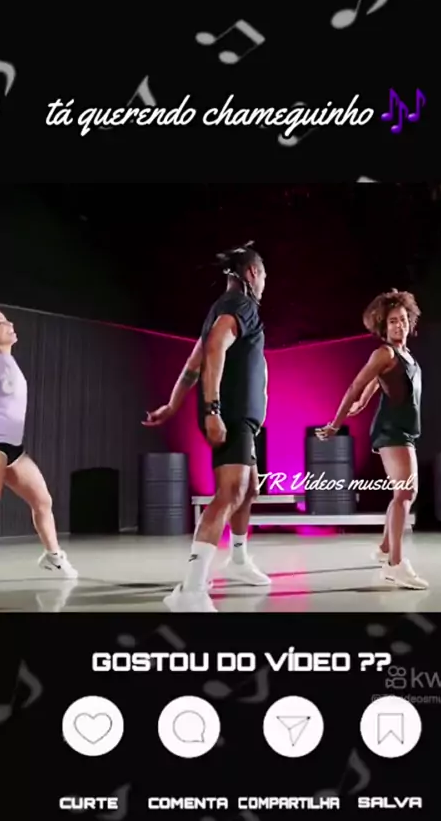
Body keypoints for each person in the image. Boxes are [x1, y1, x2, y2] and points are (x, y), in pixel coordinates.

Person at [143, 242, 270, 611]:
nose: (264, 283)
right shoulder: (241, 305)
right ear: (252, 273)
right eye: (263, 275)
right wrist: (212, 410)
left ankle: (239, 559)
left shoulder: (223, 306)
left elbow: (192, 365)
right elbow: (214, 348)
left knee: (249, 489)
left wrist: (172, 405)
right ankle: (190, 591)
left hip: (241, 418)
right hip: (230, 415)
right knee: (231, 492)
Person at [316, 289, 428, 590]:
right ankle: (395, 565)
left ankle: (384, 549)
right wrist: (336, 423)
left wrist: (365, 400)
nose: (399, 325)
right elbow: (356, 385)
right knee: (405, 493)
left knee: (403, 493)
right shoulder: (384, 353)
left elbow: (380, 382)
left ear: (410, 321)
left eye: (402, 319)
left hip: (404, 430)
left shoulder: (404, 355)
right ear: (383, 325)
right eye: (392, 321)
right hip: (392, 430)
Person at [0, 310, 78, 578]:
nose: (9, 324)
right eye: (0, 322)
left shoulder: (7, 361)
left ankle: (53, 557)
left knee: (42, 501)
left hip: (13, 449)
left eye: (7, 319)